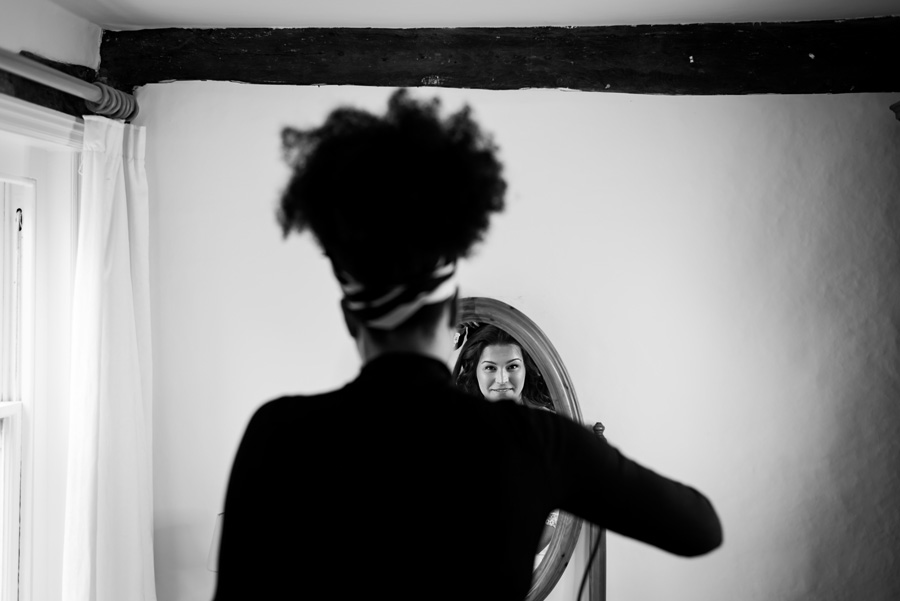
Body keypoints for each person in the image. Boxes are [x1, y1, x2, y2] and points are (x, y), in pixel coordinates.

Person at [212, 89, 722, 601]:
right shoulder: (535, 442)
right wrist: (582, 457)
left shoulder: (278, 436)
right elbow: (701, 528)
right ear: (452, 308)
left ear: (351, 318)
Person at [452, 324, 554, 411]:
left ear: (526, 368)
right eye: (490, 368)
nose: (502, 380)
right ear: (474, 371)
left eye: (513, 366)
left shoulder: (552, 424)